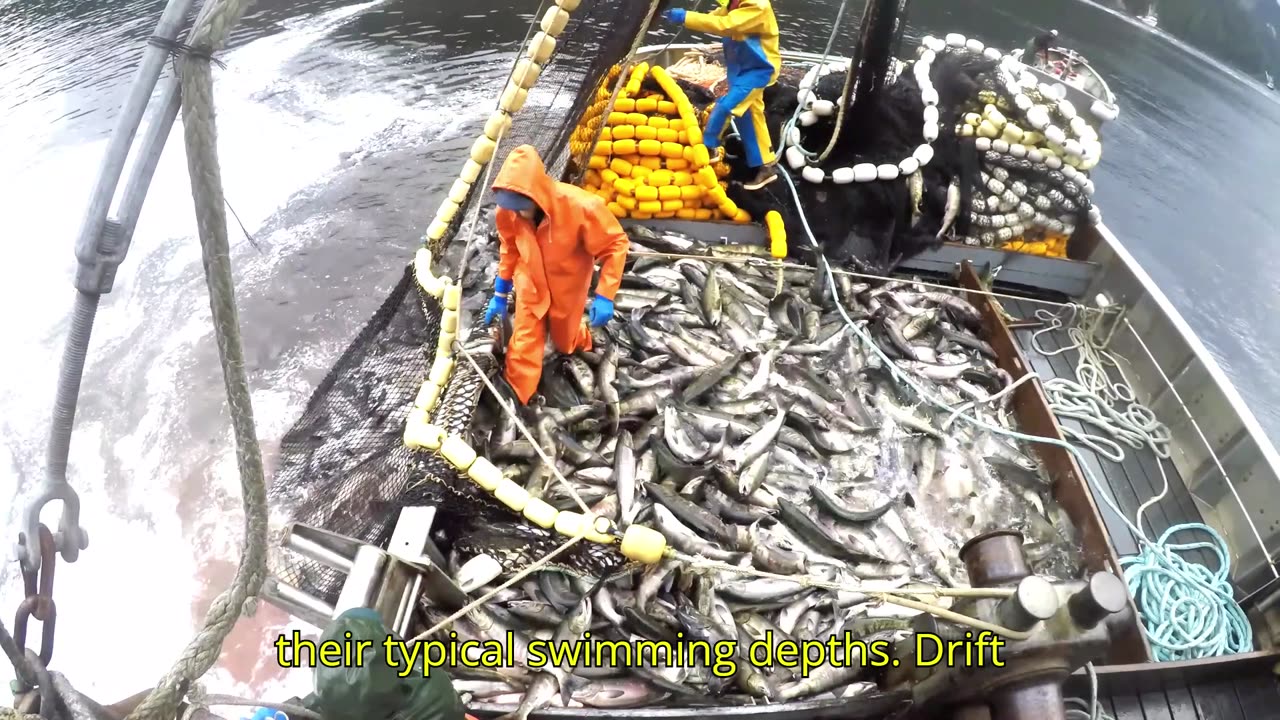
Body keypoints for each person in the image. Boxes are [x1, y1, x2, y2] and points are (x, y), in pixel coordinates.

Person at [482, 145, 630, 405]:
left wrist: (605, 295)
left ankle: (580, 337)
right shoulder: (507, 210)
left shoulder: (581, 206)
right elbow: (509, 247)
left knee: (565, 341)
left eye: (522, 207)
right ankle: (518, 402)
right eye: (511, 207)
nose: (516, 213)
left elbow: (616, 244)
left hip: (569, 288)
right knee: (523, 347)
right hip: (530, 285)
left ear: (537, 196)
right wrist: (500, 291)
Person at [662, 0, 781, 190]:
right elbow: (713, 18)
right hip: (740, 69)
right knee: (749, 116)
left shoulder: (757, 6)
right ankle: (766, 166)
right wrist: (682, 18)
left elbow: (725, 25)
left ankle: (708, 147)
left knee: (727, 106)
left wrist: (685, 16)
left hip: (759, 70)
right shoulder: (732, 4)